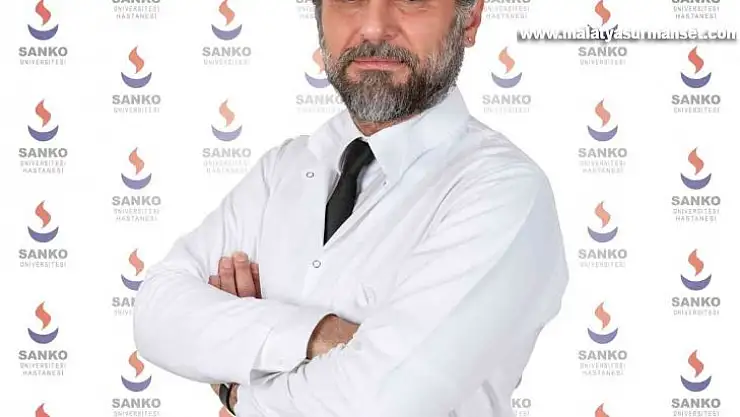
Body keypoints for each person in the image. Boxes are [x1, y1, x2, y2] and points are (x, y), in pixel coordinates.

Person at [132, 0, 569, 416]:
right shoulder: (283, 168)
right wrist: (320, 335)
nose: (375, 28)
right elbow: (155, 314)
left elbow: (381, 403)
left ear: (469, 19)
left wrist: (237, 389)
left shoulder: (503, 190)